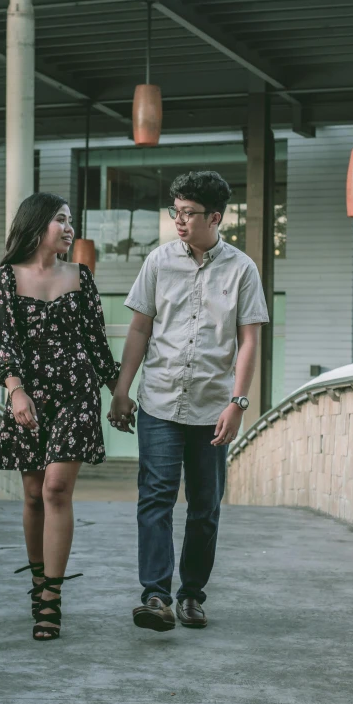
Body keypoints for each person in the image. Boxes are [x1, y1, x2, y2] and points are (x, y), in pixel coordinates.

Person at [109, 170, 269, 632]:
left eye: (189, 213)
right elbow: (139, 328)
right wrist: (122, 389)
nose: (179, 220)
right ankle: (156, 595)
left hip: (212, 406)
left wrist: (238, 402)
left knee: (205, 505)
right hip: (159, 401)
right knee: (155, 498)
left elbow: (249, 341)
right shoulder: (158, 262)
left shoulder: (242, 269)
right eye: (174, 211)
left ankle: (191, 594)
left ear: (215, 217)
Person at [0, 192, 119, 641]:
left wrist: (119, 393)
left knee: (56, 488)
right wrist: (16, 391)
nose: (69, 228)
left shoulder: (81, 276)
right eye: (61, 220)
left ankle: (52, 598)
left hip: (76, 393)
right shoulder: (7, 278)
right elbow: (3, 342)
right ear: (37, 224)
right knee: (31, 495)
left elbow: (98, 344)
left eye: (71, 220)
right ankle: (37, 580)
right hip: (29, 397)